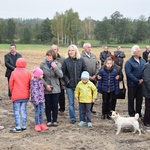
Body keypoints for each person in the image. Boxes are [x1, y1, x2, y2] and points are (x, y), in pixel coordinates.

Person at [62, 44, 87, 124]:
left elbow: (85, 71)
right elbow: (63, 73)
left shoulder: (81, 60)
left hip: (80, 85)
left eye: (72, 50)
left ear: (76, 51)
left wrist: (82, 80)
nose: (71, 52)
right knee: (71, 103)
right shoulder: (66, 61)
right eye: (69, 50)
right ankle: (72, 118)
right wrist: (67, 81)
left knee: (81, 102)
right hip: (69, 85)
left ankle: (82, 118)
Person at [40, 50, 63, 127]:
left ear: (53, 57)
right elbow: (40, 77)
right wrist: (46, 85)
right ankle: (49, 120)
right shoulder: (42, 64)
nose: (48, 57)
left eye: (49, 56)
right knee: (48, 105)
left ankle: (55, 120)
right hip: (46, 87)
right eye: (47, 55)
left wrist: (55, 67)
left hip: (56, 88)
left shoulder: (58, 64)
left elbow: (60, 75)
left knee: (55, 105)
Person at [9, 58, 31, 133]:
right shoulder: (28, 73)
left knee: (16, 111)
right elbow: (29, 84)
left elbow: (11, 84)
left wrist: (12, 92)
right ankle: (24, 126)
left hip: (16, 95)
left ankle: (18, 126)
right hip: (25, 95)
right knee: (23, 110)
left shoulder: (14, 73)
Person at [125, 45, 146, 117]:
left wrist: (143, 79)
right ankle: (131, 113)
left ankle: (138, 112)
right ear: (134, 53)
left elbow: (145, 70)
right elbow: (128, 73)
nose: (140, 52)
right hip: (132, 85)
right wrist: (137, 81)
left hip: (141, 84)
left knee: (139, 99)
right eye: (138, 51)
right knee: (131, 99)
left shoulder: (143, 61)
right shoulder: (129, 62)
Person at [80, 43, 100, 114]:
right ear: (84, 48)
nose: (89, 48)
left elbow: (98, 65)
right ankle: (85, 109)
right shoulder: (80, 56)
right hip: (85, 79)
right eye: (88, 47)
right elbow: (80, 68)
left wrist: (95, 74)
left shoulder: (93, 56)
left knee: (92, 93)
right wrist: (87, 77)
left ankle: (90, 108)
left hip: (94, 78)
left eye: (90, 47)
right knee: (85, 94)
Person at [51, 44, 65, 115]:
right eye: (52, 49)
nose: (53, 51)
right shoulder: (49, 58)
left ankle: (62, 109)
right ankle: (52, 108)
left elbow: (64, 69)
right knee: (52, 93)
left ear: (57, 50)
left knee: (61, 94)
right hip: (52, 79)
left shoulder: (62, 59)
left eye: (55, 49)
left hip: (60, 79)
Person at [142, 53, 150, 127]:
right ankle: (146, 121)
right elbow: (147, 80)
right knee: (148, 106)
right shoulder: (147, 66)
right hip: (148, 90)